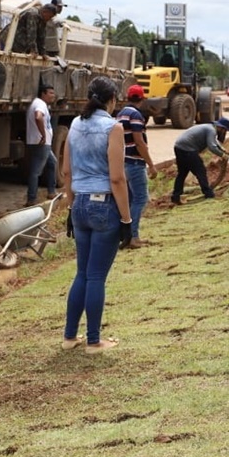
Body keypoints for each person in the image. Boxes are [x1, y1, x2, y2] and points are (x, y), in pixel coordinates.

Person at [62, 76, 133, 354]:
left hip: (79, 203)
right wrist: (127, 220)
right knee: (96, 277)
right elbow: (117, 179)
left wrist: (70, 207)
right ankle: (93, 340)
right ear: (112, 100)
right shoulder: (113, 128)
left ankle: (69, 337)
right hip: (104, 205)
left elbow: (66, 172)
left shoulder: (75, 125)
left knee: (82, 273)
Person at [116, 85, 157, 249]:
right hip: (135, 162)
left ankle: (127, 236)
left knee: (131, 200)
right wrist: (151, 164)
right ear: (142, 98)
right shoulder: (136, 115)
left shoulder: (120, 114)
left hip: (124, 161)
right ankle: (132, 237)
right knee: (141, 199)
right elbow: (139, 142)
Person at [170, 118, 229, 205]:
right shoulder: (211, 130)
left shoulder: (209, 128)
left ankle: (175, 196)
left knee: (182, 173)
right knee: (200, 171)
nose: (223, 132)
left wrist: (222, 149)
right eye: (224, 130)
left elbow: (215, 141)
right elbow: (212, 146)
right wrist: (222, 155)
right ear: (220, 128)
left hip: (179, 147)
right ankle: (208, 194)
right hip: (188, 149)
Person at [25, 83, 58, 207]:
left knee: (52, 163)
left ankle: (51, 191)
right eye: (50, 93)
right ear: (43, 93)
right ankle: (31, 199)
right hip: (41, 143)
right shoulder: (40, 104)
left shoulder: (38, 103)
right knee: (36, 171)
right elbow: (38, 117)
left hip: (41, 143)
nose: (53, 96)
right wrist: (43, 135)